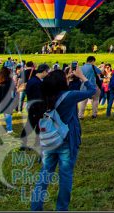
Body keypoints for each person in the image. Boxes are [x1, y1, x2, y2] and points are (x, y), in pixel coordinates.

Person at [30, 67, 95, 211]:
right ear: (61, 83)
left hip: (49, 140)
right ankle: (62, 208)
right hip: (66, 139)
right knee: (65, 176)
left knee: (44, 174)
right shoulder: (69, 96)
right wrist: (82, 77)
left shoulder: (45, 96)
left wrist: (69, 80)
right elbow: (92, 91)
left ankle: (36, 207)